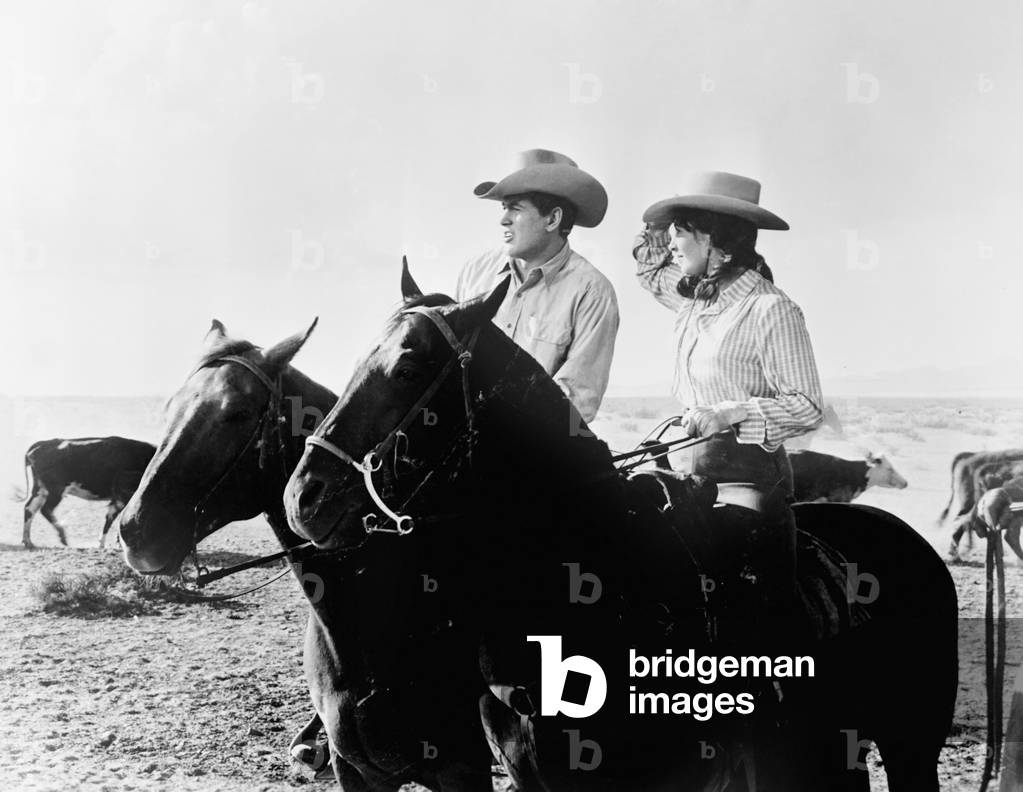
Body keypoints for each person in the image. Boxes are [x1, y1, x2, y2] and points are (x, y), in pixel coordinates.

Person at [633, 171, 824, 647]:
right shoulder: (693, 300)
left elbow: (807, 407)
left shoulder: (771, 309)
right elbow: (648, 266)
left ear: (718, 242)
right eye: (672, 231)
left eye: (682, 232)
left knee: (752, 607)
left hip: (748, 477)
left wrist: (729, 412)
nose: (672, 244)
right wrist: (659, 221)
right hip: (679, 464)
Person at [456, 149, 619, 425]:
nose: (503, 219)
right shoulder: (475, 273)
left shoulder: (592, 292)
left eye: (515, 208)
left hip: (531, 452)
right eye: (503, 207)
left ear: (553, 219)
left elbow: (576, 402)